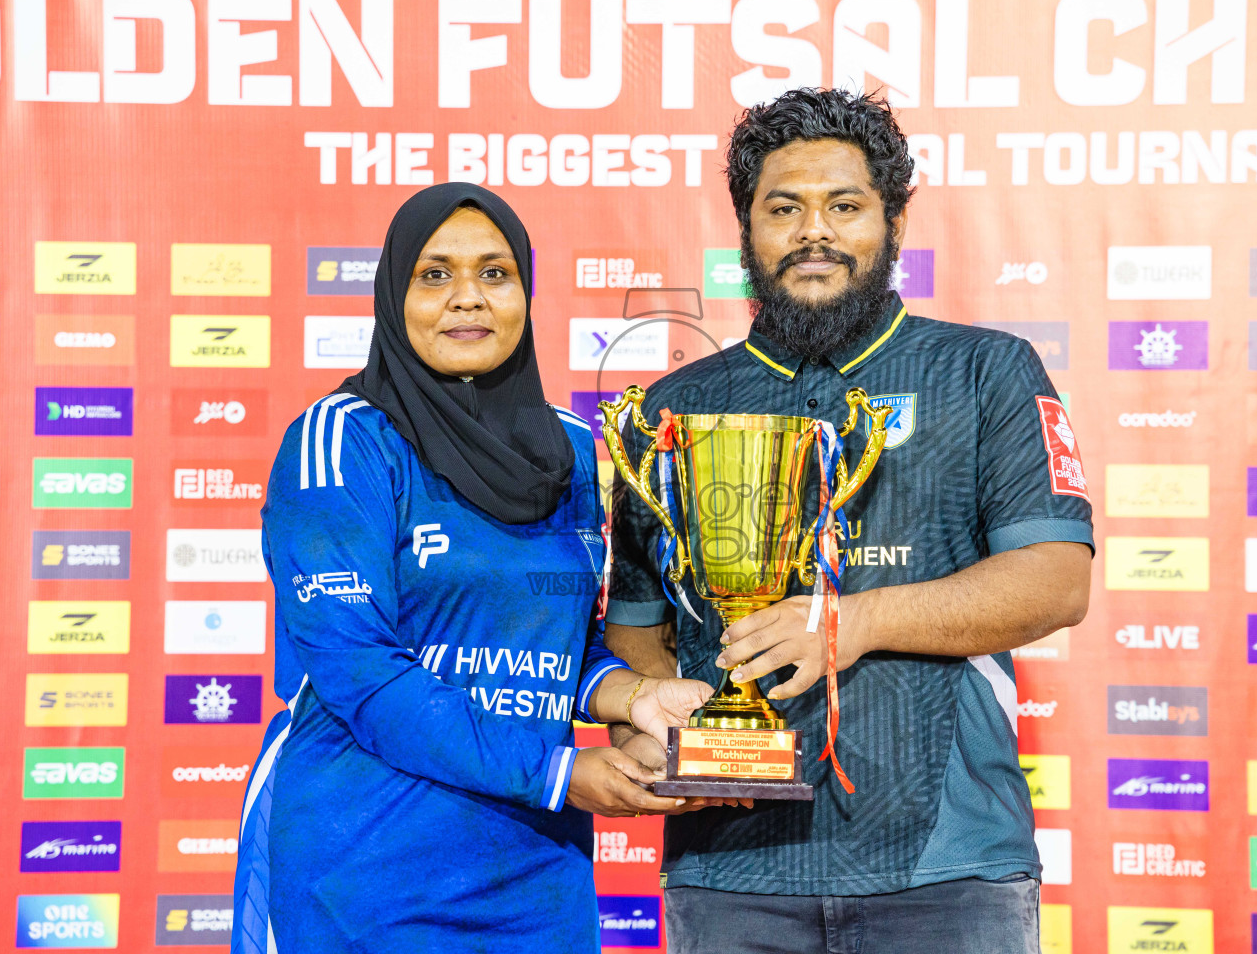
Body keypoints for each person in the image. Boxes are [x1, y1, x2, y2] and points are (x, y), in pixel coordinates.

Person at [605, 88, 1094, 954]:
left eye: (844, 206)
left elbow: (1054, 580)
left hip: (946, 873)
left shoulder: (986, 372)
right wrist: (648, 725)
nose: (812, 232)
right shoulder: (671, 412)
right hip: (729, 869)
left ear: (892, 221)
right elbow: (637, 628)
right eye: (782, 208)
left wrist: (853, 622)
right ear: (745, 228)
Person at [231, 183, 715, 954]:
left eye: (495, 273)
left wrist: (636, 693)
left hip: (535, 874)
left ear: (525, 291)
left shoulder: (562, 446)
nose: (468, 299)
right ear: (394, 295)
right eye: (434, 275)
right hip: (364, 869)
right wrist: (562, 773)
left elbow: (559, 640)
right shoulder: (342, 440)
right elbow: (362, 669)